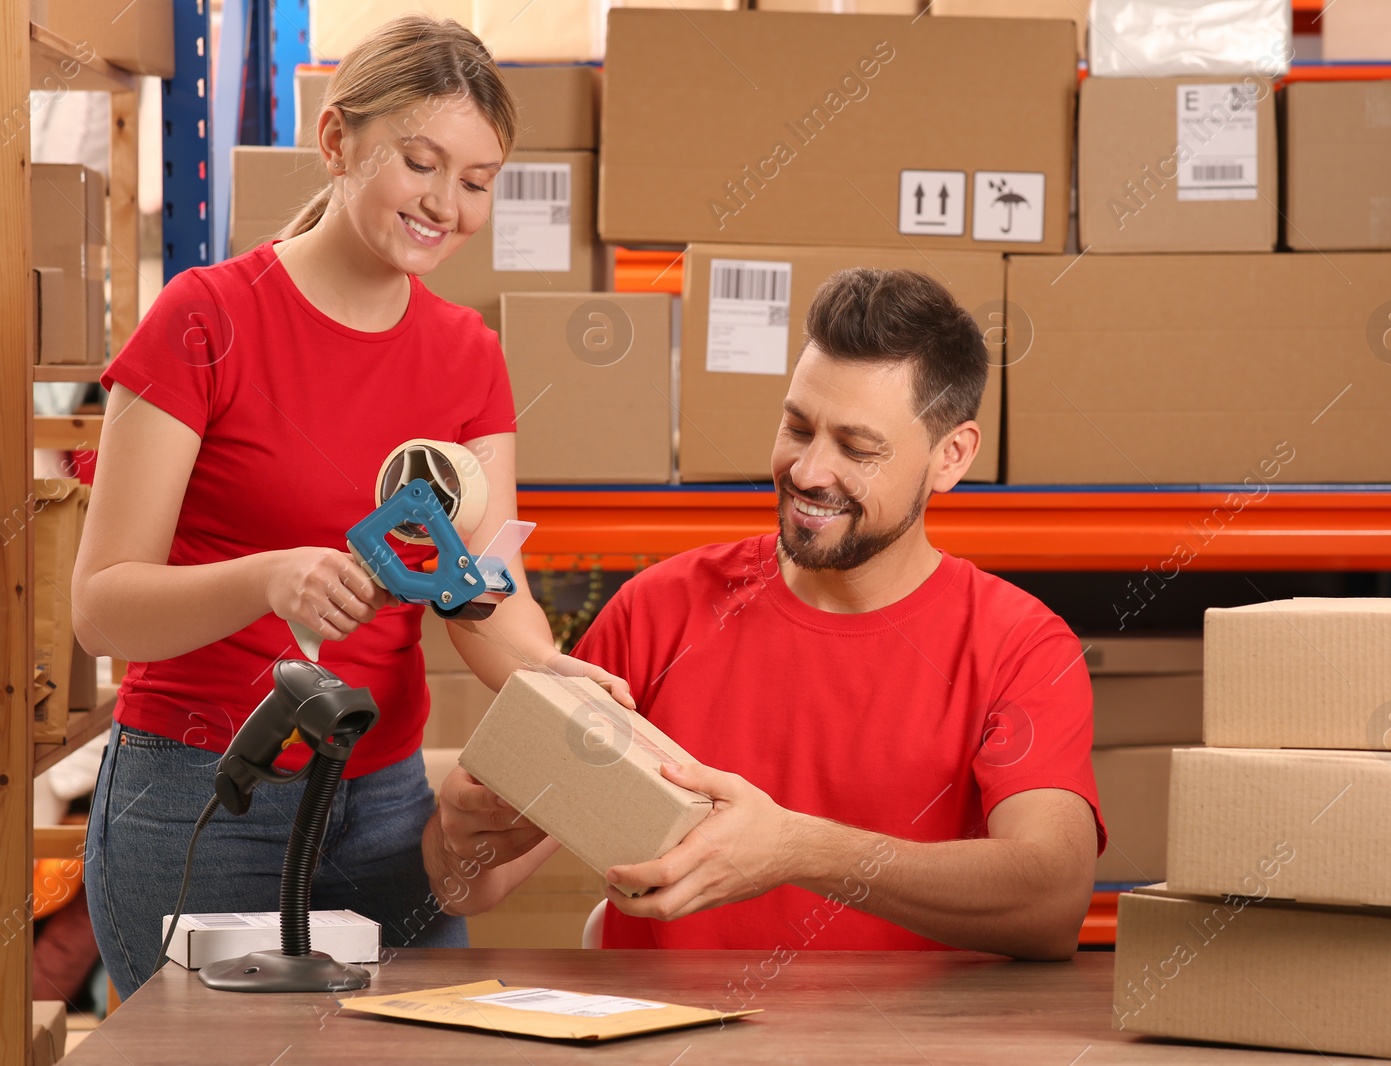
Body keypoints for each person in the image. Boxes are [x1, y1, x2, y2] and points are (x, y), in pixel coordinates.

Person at [74, 15, 627, 996]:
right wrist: (268, 578)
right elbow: (103, 605)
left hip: (380, 802)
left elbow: (482, 596)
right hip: (203, 794)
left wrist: (560, 686)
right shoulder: (204, 319)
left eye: (476, 183)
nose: (447, 205)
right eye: (421, 164)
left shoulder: (468, 357)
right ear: (336, 142)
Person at [426, 268, 1103, 960]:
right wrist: (459, 836)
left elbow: (1051, 899)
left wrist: (799, 851)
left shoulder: (1020, 647)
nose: (809, 471)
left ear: (950, 457)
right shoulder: (662, 610)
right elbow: (474, 886)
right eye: (797, 427)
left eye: (857, 448)